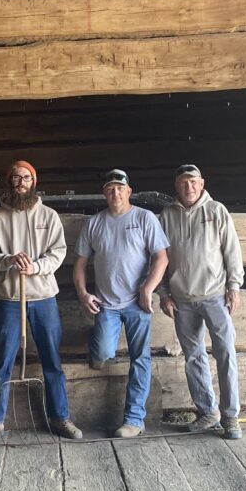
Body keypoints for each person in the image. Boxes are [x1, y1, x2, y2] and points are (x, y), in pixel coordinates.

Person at [0, 160, 82, 443]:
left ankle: (60, 417)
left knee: (52, 361)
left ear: (34, 182)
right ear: (9, 182)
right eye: (15, 177)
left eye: (26, 177)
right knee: (3, 362)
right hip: (10, 299)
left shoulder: (48, 216)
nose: (21, 182)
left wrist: (35, 267)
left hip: (44, 298)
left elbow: (58, 252)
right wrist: (9, 260)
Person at [73, 169, 169, 438]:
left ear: (129, 192)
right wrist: (83, 294)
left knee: (140, 358)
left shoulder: (144, 218)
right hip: (106, 303)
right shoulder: (94, 223)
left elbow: (161, 257)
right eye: (110, 188)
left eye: (120, 188)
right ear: (104, 193)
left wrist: (148, 288)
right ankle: (98, 350)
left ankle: (134, 419)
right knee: (103, 351)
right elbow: (80, 263)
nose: (115, 192)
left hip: (138, 302)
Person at [158, 164, 244, 439]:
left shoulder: (216, 211)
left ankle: (230, 416)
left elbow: (232, 250)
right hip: (182, 300)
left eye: (193, 181)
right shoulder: (166, 216)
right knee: (193, 357)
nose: (189, 187)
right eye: (183, 182)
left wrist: (234, 286)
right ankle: (208, 412)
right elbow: (158, 258)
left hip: (215, 296)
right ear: (176, 185)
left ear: (202, 183)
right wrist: (163, 292)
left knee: (225, 353)